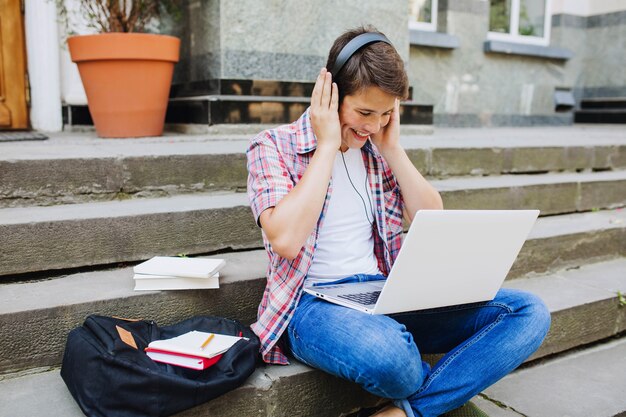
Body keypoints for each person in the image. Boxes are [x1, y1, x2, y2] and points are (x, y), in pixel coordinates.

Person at [246, 26, 551, 417]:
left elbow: (430, 217)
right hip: (311, 307)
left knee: (528, 312)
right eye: (364, 112)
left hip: (386, 295)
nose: (373, 126)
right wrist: (326, 146)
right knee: (393, 357)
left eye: (386, 113)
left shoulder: (376, 152)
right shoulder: (272, 146)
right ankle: (430, 398)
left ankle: (405, 413)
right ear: (332, 94)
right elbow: (286, 240)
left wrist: (393, 148)